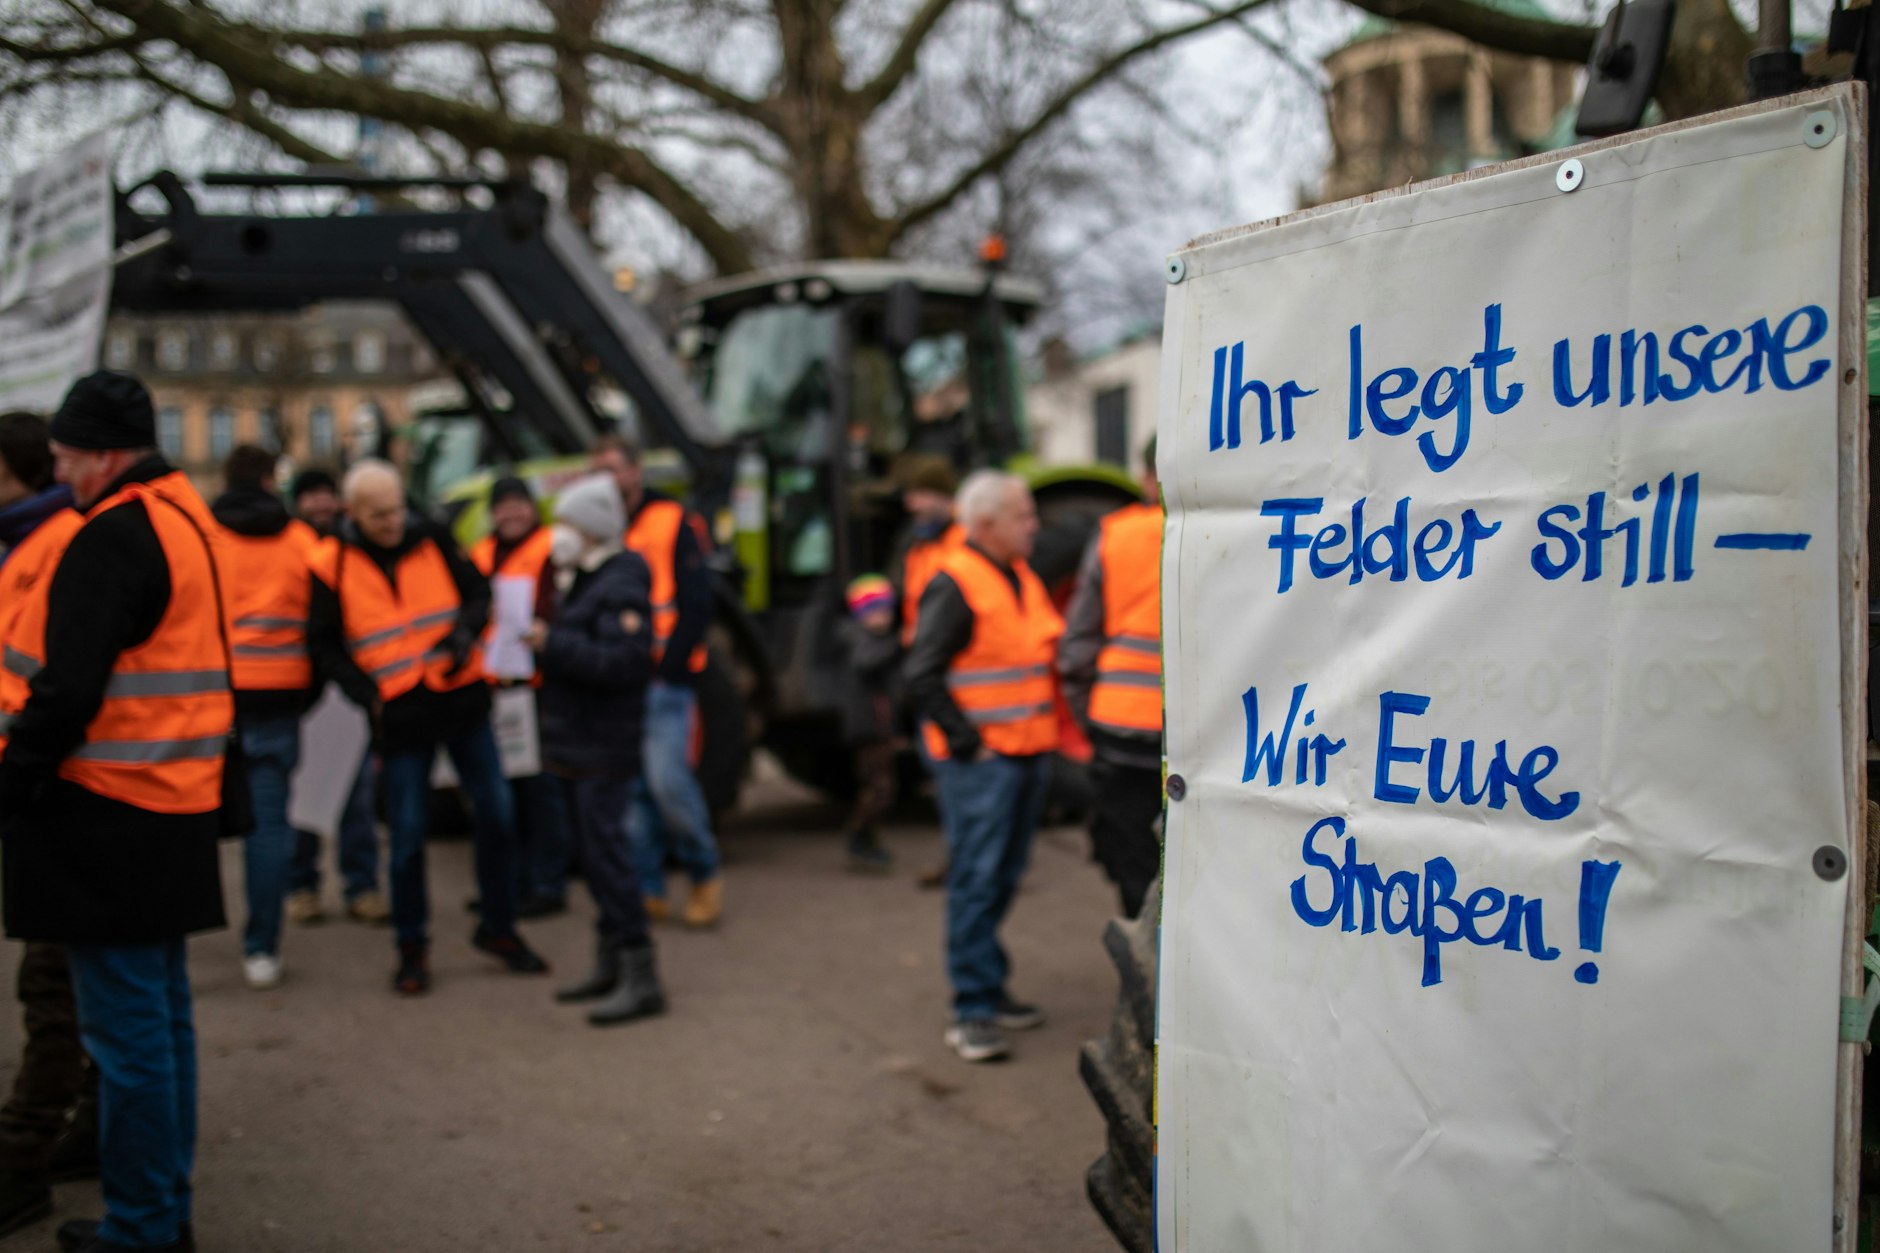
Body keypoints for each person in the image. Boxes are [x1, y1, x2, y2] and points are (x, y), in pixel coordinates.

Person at [0, 371, 234, 1253]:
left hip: (107, 816)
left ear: (102, 453)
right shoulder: (184, 518)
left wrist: (9, 785)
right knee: (161, 1028)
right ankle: (159, 1213)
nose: (59, 472)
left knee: (131, 1039)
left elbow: (64, 694)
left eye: (64, 456)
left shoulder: (111, 536)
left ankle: (144, 1227)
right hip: (172, 805)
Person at [310, 459, 549, 995]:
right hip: (400, 718)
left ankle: (499, 926)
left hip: (462, 700)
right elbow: (323, 643)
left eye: (397, 508)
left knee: (497, 814)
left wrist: (465, 632)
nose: (393, 522)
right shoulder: (331, 563)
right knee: (409, 837)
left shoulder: (433, 537)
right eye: (379, 515)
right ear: (353, 513)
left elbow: (478, 594)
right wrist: (365, 694)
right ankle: (411, 946)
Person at [905, 470, 1063, 1064]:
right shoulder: (956, 581)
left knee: (1001, 874)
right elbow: (921, 673)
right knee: (976, 878)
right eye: (1024, 516)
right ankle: (971, 1007)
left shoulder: (1019, 576)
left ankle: (989, 988)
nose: (1035, 525)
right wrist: (969, 744)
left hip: (1025, 753)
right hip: (984, 765)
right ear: (988, 524)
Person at [0, 411, 97, 1237]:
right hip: (46, 782)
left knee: (53, 980)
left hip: (59, 788)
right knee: (71, 978)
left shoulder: (60, 544)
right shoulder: (33, 542)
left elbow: (56, 685)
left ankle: (23, 1155)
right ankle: (83, 1125)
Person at [527, 475, 667, 1025]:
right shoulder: (585, 578)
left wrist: (551, 643)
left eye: (568, 523)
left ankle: (641, 973)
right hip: (580, 744)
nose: (560, 534)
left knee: (608, 857)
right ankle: (610, 962)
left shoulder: (622, 579)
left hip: (602, 745)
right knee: (593, 855)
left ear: (591, 529)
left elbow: (625, 662)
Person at [211, 446, 333, 988]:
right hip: (280, 697)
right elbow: (327, 623)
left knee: (184, 820)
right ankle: (261, 948)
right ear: (269, 480)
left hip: (211, 696)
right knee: (268, 826)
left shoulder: (203, 538)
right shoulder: (302, 541)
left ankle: (168, 936)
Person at [590, 435, 724, 927]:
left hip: (664, 681)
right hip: (620, 681)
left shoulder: (672, 521)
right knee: (634, 794)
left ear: (635, 471)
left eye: (614, 468)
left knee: (669, 785)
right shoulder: (600, 529)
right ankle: (648, 887)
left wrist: (669, 669)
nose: (606, 478)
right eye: (597, 469)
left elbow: (696, 602)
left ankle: (703, 872)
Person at [1058, 438, 1163, 918]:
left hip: (1121, 731)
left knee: (1135, 862)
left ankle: (1149, 978)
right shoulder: (1239, 530)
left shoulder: (1115, 535)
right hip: (1203, 735)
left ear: (1146, 477)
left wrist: (1090, 717)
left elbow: (1077, 647)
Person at [284, 465, 387, 926]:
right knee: (305, 800)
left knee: (356, 798)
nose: (321, 504)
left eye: (328, 494)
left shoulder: (352, 548)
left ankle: (360, 886)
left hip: (348, 690)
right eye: (311, 496)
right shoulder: (287, 548)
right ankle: (301, 886)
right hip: (302, 693)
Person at [469, 475, 573, 918]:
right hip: (492, 686)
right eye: (503, 505)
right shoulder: (478, 555)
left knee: (541, 791)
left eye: (518, 504)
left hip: (535, 688)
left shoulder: (552, 548)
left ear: (532, 508)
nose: (511, 513)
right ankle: (507, 885)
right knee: (500, 793)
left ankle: (548, 883)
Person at [890, 454, 964, 890]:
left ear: (942, 495)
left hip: (952, 679)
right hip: (927, 675)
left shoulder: (962, 542)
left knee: (955, 773)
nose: (912, 504)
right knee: (940, 771)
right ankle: (959, 854)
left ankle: (968, 860)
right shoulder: (920, 544)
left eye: (920, 495)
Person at [836, 574, 901, 873]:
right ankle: (859, 837)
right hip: (867, 730)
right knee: (879, 788)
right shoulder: (859, 639)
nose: (882, 618)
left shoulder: (876, 640)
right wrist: (899, 644)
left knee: (882, 787)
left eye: (886, 610)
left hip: (879, 728)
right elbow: (867, 662)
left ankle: (868, 839)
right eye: (874, 611)